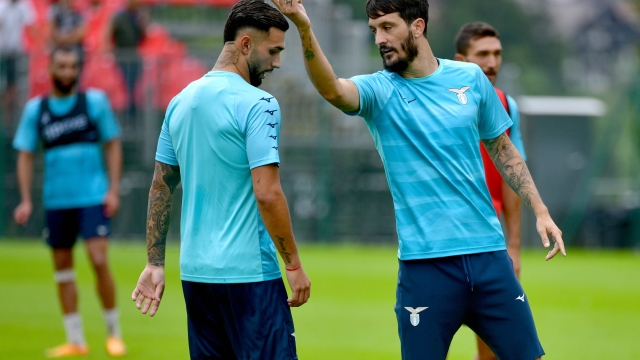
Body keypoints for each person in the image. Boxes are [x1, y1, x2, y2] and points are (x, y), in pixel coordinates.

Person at [274, 0, 565, 359]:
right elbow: (333, 89)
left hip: (489, 256)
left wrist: (540, 209)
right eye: (374, 30)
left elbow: (503, 150)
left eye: (388, 27)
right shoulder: (380, 91)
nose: (379, 38)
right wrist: (303, 27)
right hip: (426, 268)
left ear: (417, 26)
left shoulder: (470, 78)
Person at [131, 1, 311, 359]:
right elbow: (268, 194)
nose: (277, 62)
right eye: (273, 51)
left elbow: (161, 186)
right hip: (249, 277)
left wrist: (154, 263)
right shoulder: (260, 104)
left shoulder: (180, 102)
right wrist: (293, 265)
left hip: (196, 276)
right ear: (245, 45)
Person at [12, 46, 125, 358]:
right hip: (56, 201)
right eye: (61, 66)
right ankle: (76, 339)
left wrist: (112, 189)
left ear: (79, 69)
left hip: (92, 197)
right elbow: (25, 154)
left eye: (72, 66)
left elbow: (113, 145)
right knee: (62, 269)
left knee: (98, 259)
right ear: (50, 68)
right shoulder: (37, 109)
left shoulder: (95, 103)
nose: (67, 72)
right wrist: (25, 200)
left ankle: (114, 333)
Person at [453, 21, 527, 360]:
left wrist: (514, 245)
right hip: (446, 238)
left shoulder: (506, 104)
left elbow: (514, 177)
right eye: (482, 54)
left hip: (491, 239)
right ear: (461, 59)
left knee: (496, 344)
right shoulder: (440, 103)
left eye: (497, 54)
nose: (492, 62)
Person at [108, 0, 148, 120]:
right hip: (123, 57)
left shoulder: (137, 17)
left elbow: (143, 37)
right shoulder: (119, 17)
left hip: (134, 57)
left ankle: (132, 117)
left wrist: (142, 21)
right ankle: (126, 117)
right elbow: (111, 36)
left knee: (134, 89)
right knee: (126, 88)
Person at [0, 0, 35, 126]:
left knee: (14, 88)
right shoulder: (2, 5)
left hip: (15, 54)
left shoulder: (24, 5)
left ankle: (9, 123)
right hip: (2, 54)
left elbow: (31, 27)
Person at [49, 0, 86, 69]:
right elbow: (52, 32)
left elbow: (80, 34)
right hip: (58, 46)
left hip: (74, 47)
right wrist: (61, 40)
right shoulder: (55, 13)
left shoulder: (78, 13)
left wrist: (65, 39)